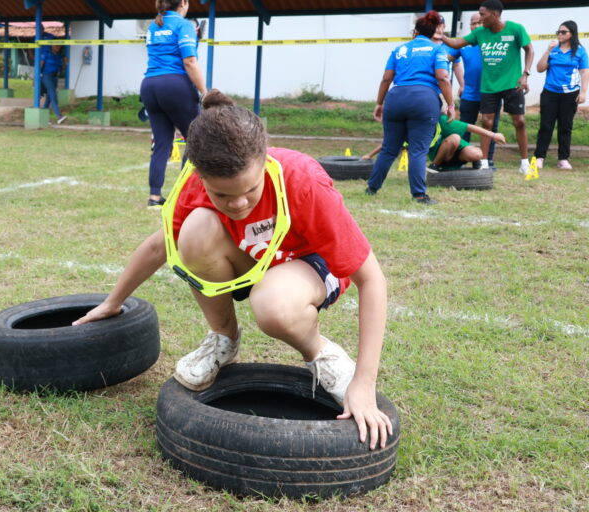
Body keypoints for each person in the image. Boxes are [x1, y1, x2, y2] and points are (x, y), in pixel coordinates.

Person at [75, 90, 394, 450]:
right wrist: (113, 301)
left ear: (265, 161)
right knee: (192, 233)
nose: (238, 204)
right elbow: (159, 246)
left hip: (310, 266)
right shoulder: (192, 188)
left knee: (273, 306)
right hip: (256, 261)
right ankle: (223, 340)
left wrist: (364, 382)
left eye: (250, 189)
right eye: (222, 195)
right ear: (199, 175)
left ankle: (321, 353)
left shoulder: (302, 179)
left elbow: (372, 279)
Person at [366, 10, 454, 205]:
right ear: (433, 33)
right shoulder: (437, 50)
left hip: (396, 98)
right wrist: (451, 104)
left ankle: (372, 188)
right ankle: (419, 195)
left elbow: (386, 79)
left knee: (389, 148)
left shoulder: (399, 50)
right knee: (418, 150)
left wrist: (379, 103)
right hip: (424, 100)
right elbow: (442, 77)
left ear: (415, 32)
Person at [442, 0, 534, 174]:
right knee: (486, 122)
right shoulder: (480, 34)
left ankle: (524, 163)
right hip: (489, 86)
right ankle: (484, 162)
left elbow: (529, 49)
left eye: (483, 15)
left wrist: (525, 74)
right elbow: (457, 43)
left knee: (519, 122)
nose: (480, 18)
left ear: (495, 14)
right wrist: (441, 36)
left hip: (512, 84)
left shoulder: (515, 28)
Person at [141, 0, 207, 209]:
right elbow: (189, 62)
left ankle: (154, 197)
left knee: (161, 143)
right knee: (195, 139)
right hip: (174, 84)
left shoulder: (154, 25)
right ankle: (182, 195)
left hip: (150, 85)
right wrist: (205, 91)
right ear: (184, 3)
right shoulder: (184, 24)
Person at [447, 13, 502, 169]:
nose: (476, 26)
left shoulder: (494, 41)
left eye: (480, 23)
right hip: (469, 94)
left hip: (491, 93)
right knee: (464, 127)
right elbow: (446, 59)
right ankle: (461, 160)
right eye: (473, 23)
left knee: (490, 128)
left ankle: (487, 160)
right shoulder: (464, 44)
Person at [534, 21, 588, 170]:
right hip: (550, 92)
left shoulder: (580, 51)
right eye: (558, 32)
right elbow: (539, 68)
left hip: (570, 94)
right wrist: (547, 51)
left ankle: (563, 159)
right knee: (546, 125)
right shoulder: (553, 49)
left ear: (572, 33)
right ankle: (539, 157)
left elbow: (584, 72)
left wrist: (583, 92)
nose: (560, 34)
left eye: (563, 32)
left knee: (565, 126)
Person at [427, 113, 506, 170]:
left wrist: (493, 135)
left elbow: (469, 127)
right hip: (439, 155)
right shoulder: (417, 125)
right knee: (455, 138)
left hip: (457, 152)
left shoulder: (442, 120)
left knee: (476, 154)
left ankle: (475, 162)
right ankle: (435, 165)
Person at [40, 33, 68, 125]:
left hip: (55, 76)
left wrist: (65, 63)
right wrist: (36, 78)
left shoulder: (59, 55)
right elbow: (41, 64)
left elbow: (63, 68)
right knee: (53, 94)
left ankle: (43, 118)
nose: (58, 47)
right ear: (52, 44)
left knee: (49, 98)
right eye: (56, 45)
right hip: (46, 75)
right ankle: (59, 116)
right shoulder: (46, 51)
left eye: (60, 45)